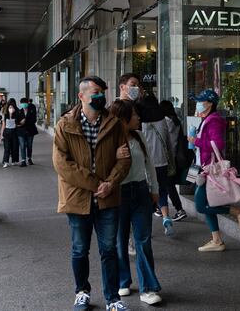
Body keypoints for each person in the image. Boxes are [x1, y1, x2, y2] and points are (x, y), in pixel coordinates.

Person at [52, 76, 133, 311]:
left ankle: (113, 298)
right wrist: (96, 183)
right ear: (81, 96)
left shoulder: (114, 124)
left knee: (109, 250)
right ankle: (82, 292)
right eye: (96, 92)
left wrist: (110, 183)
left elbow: (124, 160)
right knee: (80, 249)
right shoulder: (65, 125)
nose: (101, 96)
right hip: (77, 199)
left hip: (108, 198)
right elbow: (62, 164)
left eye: (103, 92)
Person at [108, 99, 163, 306]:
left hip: (141, 192)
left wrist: (154, 189)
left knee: (143, 240)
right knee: (120, 241)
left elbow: (150, 165)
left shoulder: (139, 136)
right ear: (124, 118)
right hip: (118, 194)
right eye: (135, 115)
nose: (139, 118)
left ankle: (148, 287)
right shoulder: (109, 139)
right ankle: (123, 280)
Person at [188, 89, 240, 252]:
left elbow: (218, 144)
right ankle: (217, 240)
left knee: (201, 205)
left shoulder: (213, 120)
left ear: (209, 104)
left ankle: (238, 211)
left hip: (209, 169)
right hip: (201, 166)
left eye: (200, 101)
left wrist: (197, 141)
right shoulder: (206, 119)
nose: (198, 104)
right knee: (205, 203)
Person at [137, 94, 177, 237]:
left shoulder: (140, 123)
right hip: (162, 162)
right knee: (162, 191)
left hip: (146, 163)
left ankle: (147, 227)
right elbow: (168, 142)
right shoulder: (162, 120)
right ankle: (166, 218)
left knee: (147, 194)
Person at [159, 100, 188, 221]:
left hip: (167, 159)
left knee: (168, 185)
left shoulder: (166, 122)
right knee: (168, 185)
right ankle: (163, 207)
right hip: (175, 157)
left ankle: (179, 209)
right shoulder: (176, 121)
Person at [1, 98, 21, 168]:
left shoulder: (17, 114)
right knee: (7, 148)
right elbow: (3, 125)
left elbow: (18, 124)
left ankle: (14, 161)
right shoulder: (5, 114)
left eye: (12, 107)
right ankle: (5, 162)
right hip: (6, 132)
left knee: (14, 147)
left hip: (14, 132)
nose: (11, 109)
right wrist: (1, 135)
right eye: (9, 107)